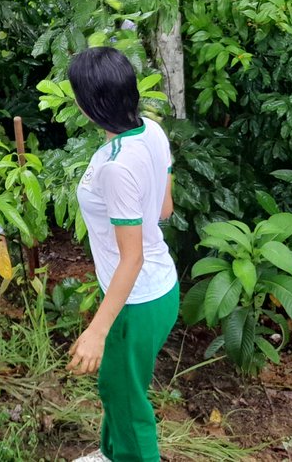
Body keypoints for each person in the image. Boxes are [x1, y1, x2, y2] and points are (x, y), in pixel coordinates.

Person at [65, 47, 178, 462]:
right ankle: (111, 454)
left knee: (129, 404)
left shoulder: (114, 166)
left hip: (135, 300)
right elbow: (165, 209)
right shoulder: (151, 130)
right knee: (120, 386)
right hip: (161, 290)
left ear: (88, 105)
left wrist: (97, 330)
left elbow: (131, 259)